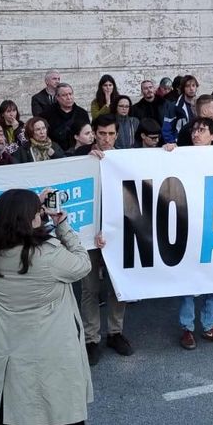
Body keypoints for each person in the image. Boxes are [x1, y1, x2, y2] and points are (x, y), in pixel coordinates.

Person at [0, 188, 92, 425]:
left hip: (7, 346)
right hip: (51, 349)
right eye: (37, 214)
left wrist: (30, 204)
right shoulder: (48, 256)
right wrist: (61, 225)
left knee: (13, 418)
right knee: (54, 412)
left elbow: (8, 228)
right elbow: (83, 263)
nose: (40, 215)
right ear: (26, 221)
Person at [163, 118, 213, 350]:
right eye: (194, 130)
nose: (196, 134)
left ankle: (209, 326)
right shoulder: (180, 155)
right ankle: (187, 328)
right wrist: (166, 152)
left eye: (202, 130)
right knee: (188, 281)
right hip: (189, 225)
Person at [78, 115, 134, 365]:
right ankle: (91, 339)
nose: (107, 139)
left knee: (116, 286)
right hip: (89, 235)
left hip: (116, 235)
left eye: (111, 134)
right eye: (102, 134)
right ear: (95, 133)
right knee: (90, 289)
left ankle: (115, 332)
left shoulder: (124, 159)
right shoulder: (80, 157)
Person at [42, 83, 91, 152]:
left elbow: (88, 134)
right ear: (57, 97)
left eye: (70, 94)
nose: (69, 98)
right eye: (64, 95)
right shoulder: (47, 114)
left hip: (79, 152)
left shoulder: (82, 113)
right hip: (55, 154)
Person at [161, 74, 199, 143]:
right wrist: (173, 143)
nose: (191, 88)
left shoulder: (200, 105)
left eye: (193, 85)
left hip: (197, 144)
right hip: (180, 145)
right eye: (188, 86)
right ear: (182, 88)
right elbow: (167, 129)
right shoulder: (174, 106)